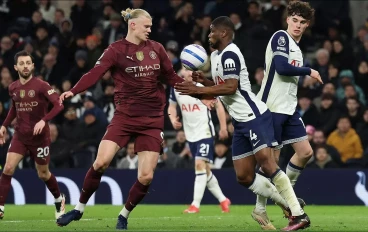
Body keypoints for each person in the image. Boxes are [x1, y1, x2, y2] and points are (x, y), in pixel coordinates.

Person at [56, 8, 187, 230]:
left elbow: (172, 78)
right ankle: (78, 209)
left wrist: (203, 92)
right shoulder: (115, 50)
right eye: (146, 26)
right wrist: (74, 91)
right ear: (132, 25)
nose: (150, 30)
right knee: (101, 162)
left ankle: (123, 215)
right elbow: (94, 74)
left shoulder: (157, 49)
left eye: (151, 26)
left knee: (146, 177)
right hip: (124, 117)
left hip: (152, 119)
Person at [175, 16, 310, 231]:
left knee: (268, 163)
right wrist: (205, 82)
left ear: (224, 33)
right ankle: (286, 203)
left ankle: (298, 214)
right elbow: (222, 87)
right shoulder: (216, 56)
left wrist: (199, 91)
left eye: (212, 31)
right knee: (244, 176)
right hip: (240, 122)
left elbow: (230, 87)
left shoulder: (230, 53)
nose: (209, 35)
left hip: (255, 116)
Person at [255, 1, 322, 229]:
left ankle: (286, 196)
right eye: (294, 20)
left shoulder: (297, 46)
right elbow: (282, 68)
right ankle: (262, 208)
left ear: (307, 25)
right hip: (272, 107)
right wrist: (309, 70)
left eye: (302, 22)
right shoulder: (280, 37)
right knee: (270, 162)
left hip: (289, 109)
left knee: (305, 152)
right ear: (287, 19)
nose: (298, 25)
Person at [0, 50, 65, 220]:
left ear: (33, 65)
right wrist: (4, 125)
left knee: (43, 174)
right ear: (16, 67)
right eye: (21, 63)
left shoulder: (42, 85)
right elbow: (14, 108)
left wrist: (44, 120)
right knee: (7, 168)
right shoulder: (13, 87)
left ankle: (59, 199)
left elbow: (58, 105)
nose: (25, 66)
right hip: (20, 136)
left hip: (40, 138)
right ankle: (0, 207)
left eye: (28, 63)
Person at [169, 67, 230, 213]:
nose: (189, 73)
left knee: (199, 165)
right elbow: (171, 106)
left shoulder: (203, 87)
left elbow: (219, 106)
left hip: (205, 132)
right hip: (190, 135)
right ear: (181, 72)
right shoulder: (177, 88)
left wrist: (223, 128)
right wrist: (172, 119)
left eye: (191, 70)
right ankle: (223, 200)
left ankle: (195, 205)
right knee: (205, 170)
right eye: (186, 70)